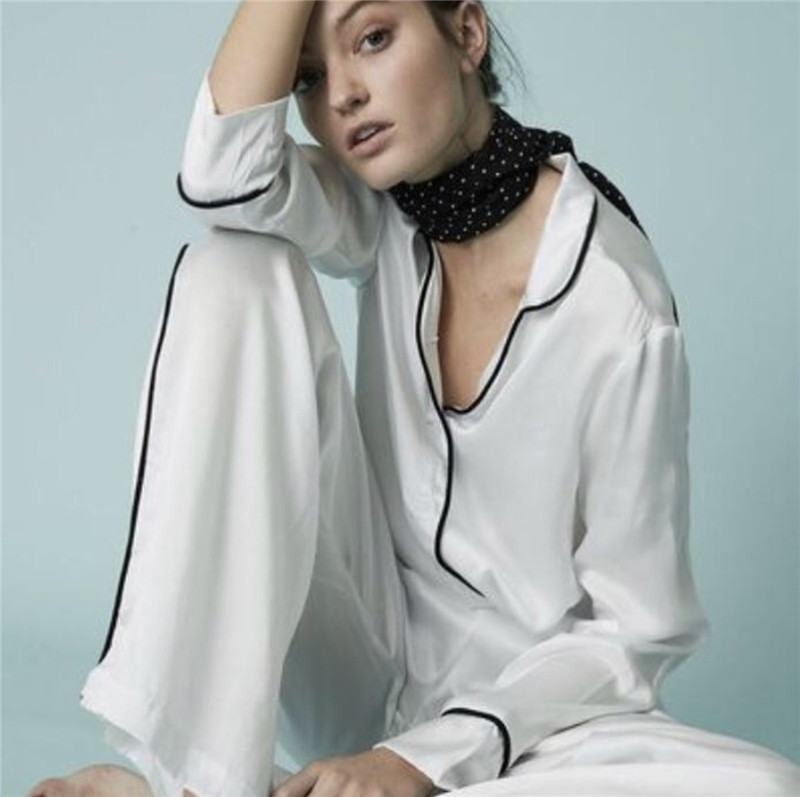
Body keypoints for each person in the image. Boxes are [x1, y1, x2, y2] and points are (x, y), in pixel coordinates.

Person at [27, 2, 800, 796]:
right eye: (309, 78)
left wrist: (425, 758)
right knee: (233, 270)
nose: (343, 96)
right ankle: (202, 774)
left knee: (762, 787)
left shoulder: (616, 298)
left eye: (374, 39)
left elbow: (637, 627)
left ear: (467, 33)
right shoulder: (379, 211)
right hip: (360, 670)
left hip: (526, 724)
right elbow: (223, 175)